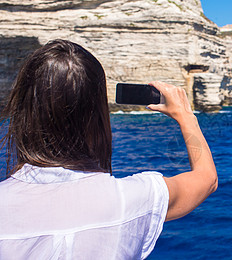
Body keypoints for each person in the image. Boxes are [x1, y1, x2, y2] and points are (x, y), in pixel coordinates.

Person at [0, 39, 218, 259]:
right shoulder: (131, 199)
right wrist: (186, 116)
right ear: (97, 114)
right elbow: (207, 178)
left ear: (23, 109)